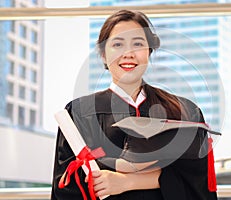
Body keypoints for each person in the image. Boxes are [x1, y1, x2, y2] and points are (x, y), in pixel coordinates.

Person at [51, 9, 218, 200]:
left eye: (137, 44)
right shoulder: (79, 113)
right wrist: (157, 173)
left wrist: (124, 182)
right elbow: (65, 188)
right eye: (117, 44)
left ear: (149, 51)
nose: (128, 53)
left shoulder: (183, 111)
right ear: (104, 55)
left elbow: (197, 179)